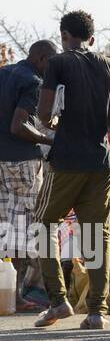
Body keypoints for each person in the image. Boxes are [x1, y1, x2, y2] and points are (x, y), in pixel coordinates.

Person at [33, 11, 110, 330]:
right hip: (102, 161)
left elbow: (44, 113)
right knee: (95, 232)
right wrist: (98, 124)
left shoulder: (58, 63)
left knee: (44, 225)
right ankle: (96, 311)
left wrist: (58, 124)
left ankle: (58, 301)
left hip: (67, 161)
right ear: (92, 38)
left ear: (63, 35)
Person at [0, 40, 58, 298]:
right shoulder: (34, 82)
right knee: (24, 229)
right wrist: (49, 139)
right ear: (43, 58)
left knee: (4, 227)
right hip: (21, 163)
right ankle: (17, 297)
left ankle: (6, 293)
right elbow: (18, 126)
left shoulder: (4, 73)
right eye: (53, 63)